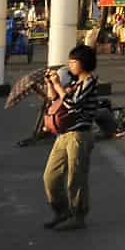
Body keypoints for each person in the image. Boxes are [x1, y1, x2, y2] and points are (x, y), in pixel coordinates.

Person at [42, 44, 106, 230]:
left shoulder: (90, 82)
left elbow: (74, 105)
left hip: (80, 134)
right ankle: (61, 210)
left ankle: (78, 215)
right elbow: (54, 100)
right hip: (64, 134)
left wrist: (58, 86)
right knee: (50, 176)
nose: (70, 65)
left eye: (73, 61)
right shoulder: (73, 82)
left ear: (84, 63)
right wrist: (51, 84)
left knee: (76, 177)